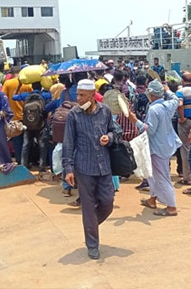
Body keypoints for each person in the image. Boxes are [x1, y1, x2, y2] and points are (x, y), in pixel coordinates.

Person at [62, 79, 120, 260]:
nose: (78, 99)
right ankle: (92, 244)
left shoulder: (105, 111)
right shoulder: (74, 115)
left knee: (108, 202)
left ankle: (91, 225)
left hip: (104, 166)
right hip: (84, 167)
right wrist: (68, 169)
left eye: (82, 95)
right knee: (88, 207)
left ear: (93, 95)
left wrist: (109, 138)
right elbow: (68, 143)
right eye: (78, 95)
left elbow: (115, 131)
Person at [130, 80, 181, 216]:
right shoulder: (168, 104)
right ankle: (152, 199)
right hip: (165, 144)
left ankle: (171, 207)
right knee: (151, 174)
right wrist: (167, 90)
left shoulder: (154, 109)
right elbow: (175, 98)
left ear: (151, 95)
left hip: (157, 147)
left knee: (162, 177)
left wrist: (135, 121)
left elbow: (149, 130)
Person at [13, 82, 52, 170]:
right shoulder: (45, 95)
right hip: (41, 125)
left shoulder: (26, 96)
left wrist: (19, 86)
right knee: (42, 146)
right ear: (41, 86)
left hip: (28, 125)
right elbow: (51, 97)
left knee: (26, 145)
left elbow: (14, 97)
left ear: (32, 87)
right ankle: (42, 166)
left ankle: (23, 165)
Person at [2, 66, 32, 164]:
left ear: (11, 74)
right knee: (27, 141)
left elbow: (3, 98)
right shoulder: (28, 84)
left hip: (13, 117)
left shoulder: (8, 83)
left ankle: (19, 161)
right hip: (27, 116)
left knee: (17, 141)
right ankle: (27, 161)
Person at [176, 72, 191, 184]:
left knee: (185, 148)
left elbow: (180, 104)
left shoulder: (180, 92)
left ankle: (187, 177)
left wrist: (182, 118)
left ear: (182, 81)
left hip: (185, 121)